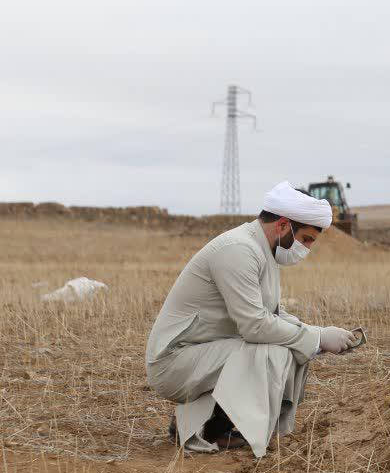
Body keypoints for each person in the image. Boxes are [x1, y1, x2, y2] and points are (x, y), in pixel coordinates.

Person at [145, 182, 358, 456]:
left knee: (285, 347)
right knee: (274, 353)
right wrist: (316, 338)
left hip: (202, 353)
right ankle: (212, 430)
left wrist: (318, 333)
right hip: (173, 363)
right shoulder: (238, 250)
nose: (306, 249)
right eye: (306, 239)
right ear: (283, 226)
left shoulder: (260, 250)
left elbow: (271, 316)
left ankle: (207, 423)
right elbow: (255, 326)